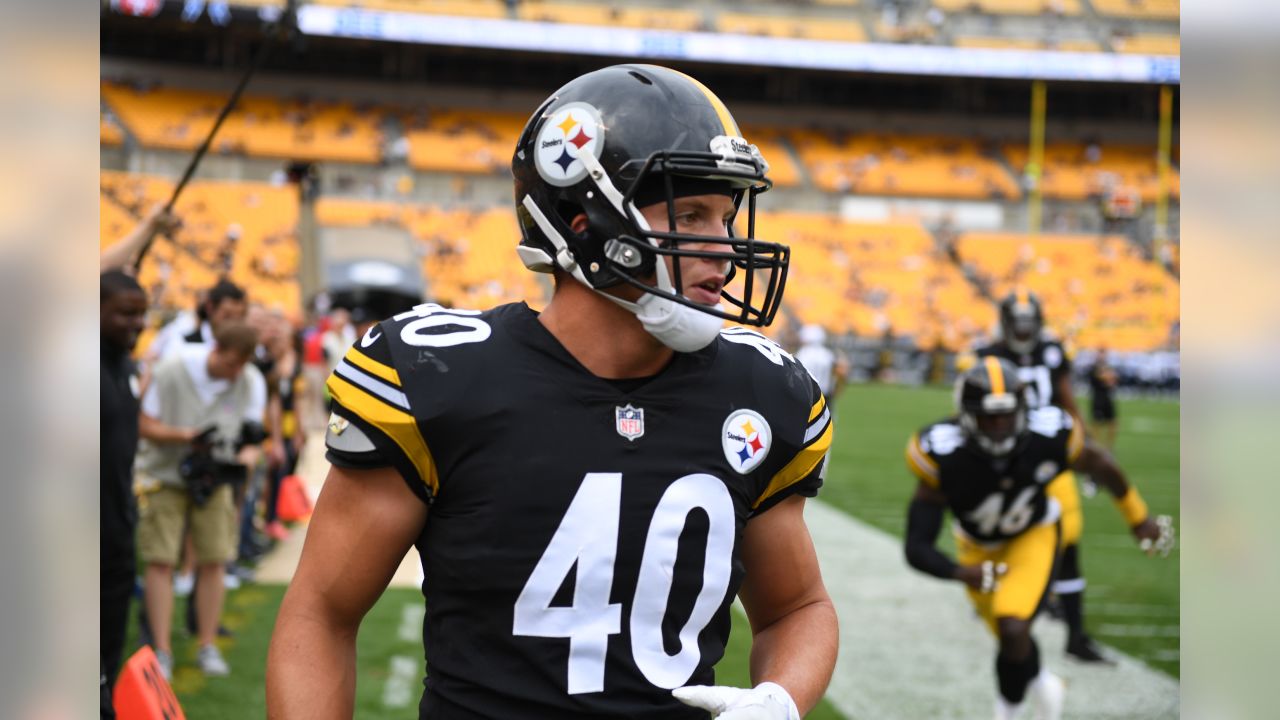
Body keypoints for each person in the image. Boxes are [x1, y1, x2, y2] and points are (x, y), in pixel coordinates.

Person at [268, 64, 838, 719]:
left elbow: (799, 607)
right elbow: (321, 611)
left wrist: (780, 698)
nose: (728, 250)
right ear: (581, 218)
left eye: (727, 217)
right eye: (691, 213)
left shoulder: (761, 392)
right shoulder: (442, 378)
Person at [903, 358, 1174, 720]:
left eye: (1006, 416)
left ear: (1023, 411)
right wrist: (960, 572)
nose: (999, 427)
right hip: (976, 548)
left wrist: (1138, 518)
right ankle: (1045, 685)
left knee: (1013, 625)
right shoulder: (941, 452)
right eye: (988, 417)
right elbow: (916, 545)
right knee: (1010, 638)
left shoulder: (1049, 435)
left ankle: (1008, 713)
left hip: (1035, 533)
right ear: (966, 416)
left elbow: (1102, 465)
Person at [974, 290, 1102, 662]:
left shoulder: (1051, 352)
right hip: (1005, 457)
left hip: (1048, 452)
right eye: (1019, 322)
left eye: (1030, 322)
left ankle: (1074, 633)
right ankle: (1018, 601)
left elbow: (1067, 399)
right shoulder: (989, 355)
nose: (1025, 330)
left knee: (1069, 543)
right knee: (1001, 537)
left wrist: (1084, 442)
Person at [135, 322, 266, 679]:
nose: (234, 373)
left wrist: (247, 458)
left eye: (241, 366)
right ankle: (161, 650)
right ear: (215, 350)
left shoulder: (250, 380)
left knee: (214, 561)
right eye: (230, 364)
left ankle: (206, 644)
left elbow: (252, 437)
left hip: (217, 478)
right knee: (160, 560)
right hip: (166, 475)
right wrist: (187, 436)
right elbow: (144, 424)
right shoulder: (171, 370)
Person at [100, 271, 149, 718]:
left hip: (118, 523)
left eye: (141, 314)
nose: (136, 323)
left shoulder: (127, 365)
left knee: (110, 640)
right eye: (125, 313)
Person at [794, 324, 847, 410]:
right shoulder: (828, 354)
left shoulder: (801, 353)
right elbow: (842, 372)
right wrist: (836, 390)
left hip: (805, 396)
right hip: (825, 396)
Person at [1087, 347, 1119, 452]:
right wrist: (1107, 376)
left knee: (1113, 422)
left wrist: (1108, 377)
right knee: (1096, 422)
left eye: (1104, 353)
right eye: (1101, 353)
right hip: (1097, 398)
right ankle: (1094, 445)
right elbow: (1103, 377)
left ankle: (1108, 446)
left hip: (1108, 397)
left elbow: (1113, 379)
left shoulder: (1107, 366)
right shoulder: (1094, 366)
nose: (1102, 356)